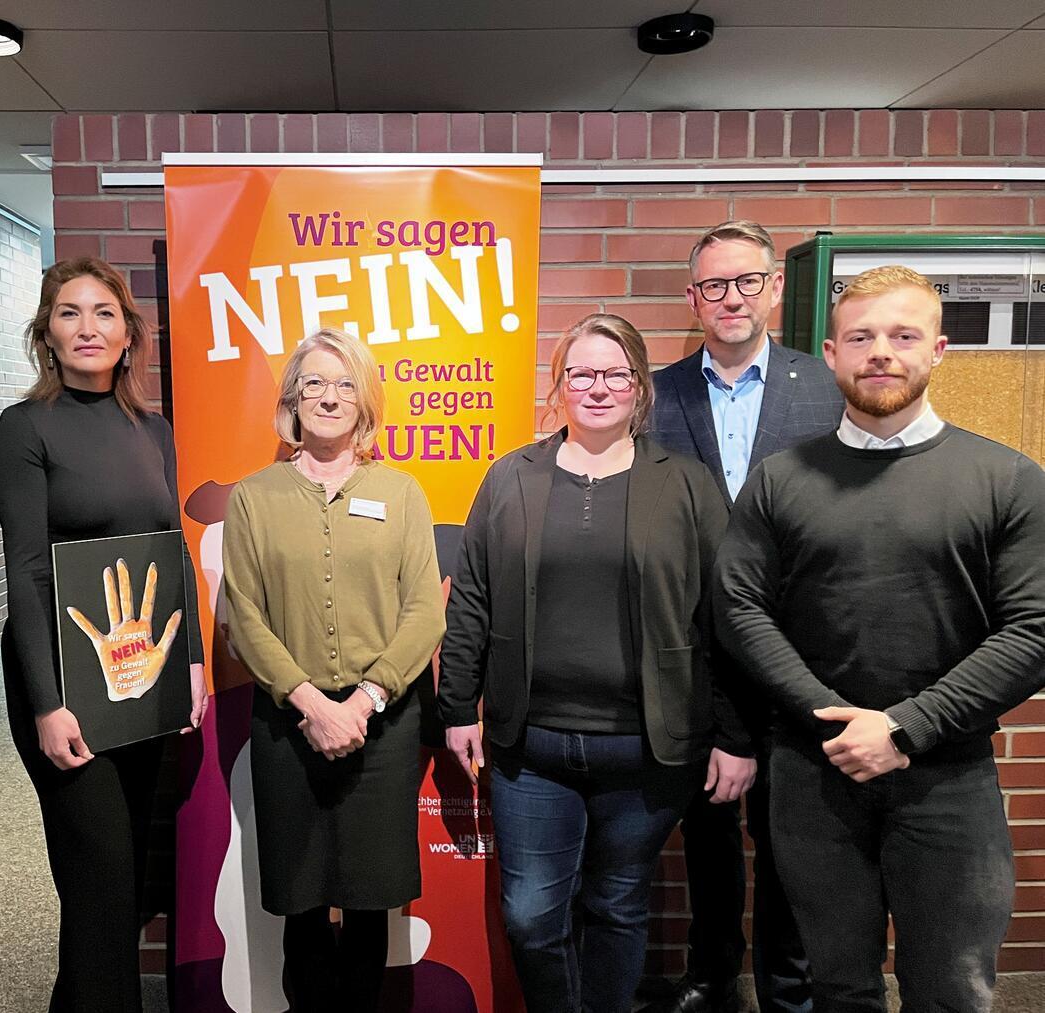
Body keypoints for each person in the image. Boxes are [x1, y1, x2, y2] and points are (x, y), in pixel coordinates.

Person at [715, 265, 1045, 1012]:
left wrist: (904, 727)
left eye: (903, 335)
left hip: (948, 777)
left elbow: (1034, 628)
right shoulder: (779, 480)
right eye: (861, 337)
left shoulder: (1006, 478)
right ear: (832, 354)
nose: (882, 353)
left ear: (938, 350)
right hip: (813, 773)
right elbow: (738, 607)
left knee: (952, 988)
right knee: (836, 986)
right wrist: (833, 721)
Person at [438, 313, 751, 1013]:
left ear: (639, 386)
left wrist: (735, 734)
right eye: (581, 374)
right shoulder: (511, 477)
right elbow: (473, 598)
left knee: (617, 905)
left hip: (648, 750)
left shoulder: (686, 483)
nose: (599, 388)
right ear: (559, 385)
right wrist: (457, 704)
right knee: (530, 915)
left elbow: (725, 616)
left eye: (616, 374)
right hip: (531, 749)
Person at [0, 257, 207, 1012]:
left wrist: (193, 661)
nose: (88, 327)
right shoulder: (25, 427)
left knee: (117, 884)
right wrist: (48, 704)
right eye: (70, 312)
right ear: (46, 333)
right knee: (100, 880)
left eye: (104, 312)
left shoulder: (152, 429)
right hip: (63, 683)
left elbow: (172, 547)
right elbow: (24, 571)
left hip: (140, 675)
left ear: (128, 334)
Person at [647, 220, 843, 1013]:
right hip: (694, 659)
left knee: (792, 842)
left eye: (747, 281)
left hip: (801, 662)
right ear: (693, 297)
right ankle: (713, 975)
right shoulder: (655, 395)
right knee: (707, 834)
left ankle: (787, 989)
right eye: (714, 285)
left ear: (776, 287)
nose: (732, 298)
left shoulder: (826, 388)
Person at [222, 327, 445, 1013]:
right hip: (289, 727)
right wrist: (313, 704)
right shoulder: (253, 497)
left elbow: (424, 612)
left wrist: (364, 699)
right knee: (302, 904)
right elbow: (244, 614)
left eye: (346, 383)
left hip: (383, 727)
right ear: (292, 399)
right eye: (314, 382)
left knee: (372, 903)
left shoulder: (401, 493)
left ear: (365, 401)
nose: (329, 396)